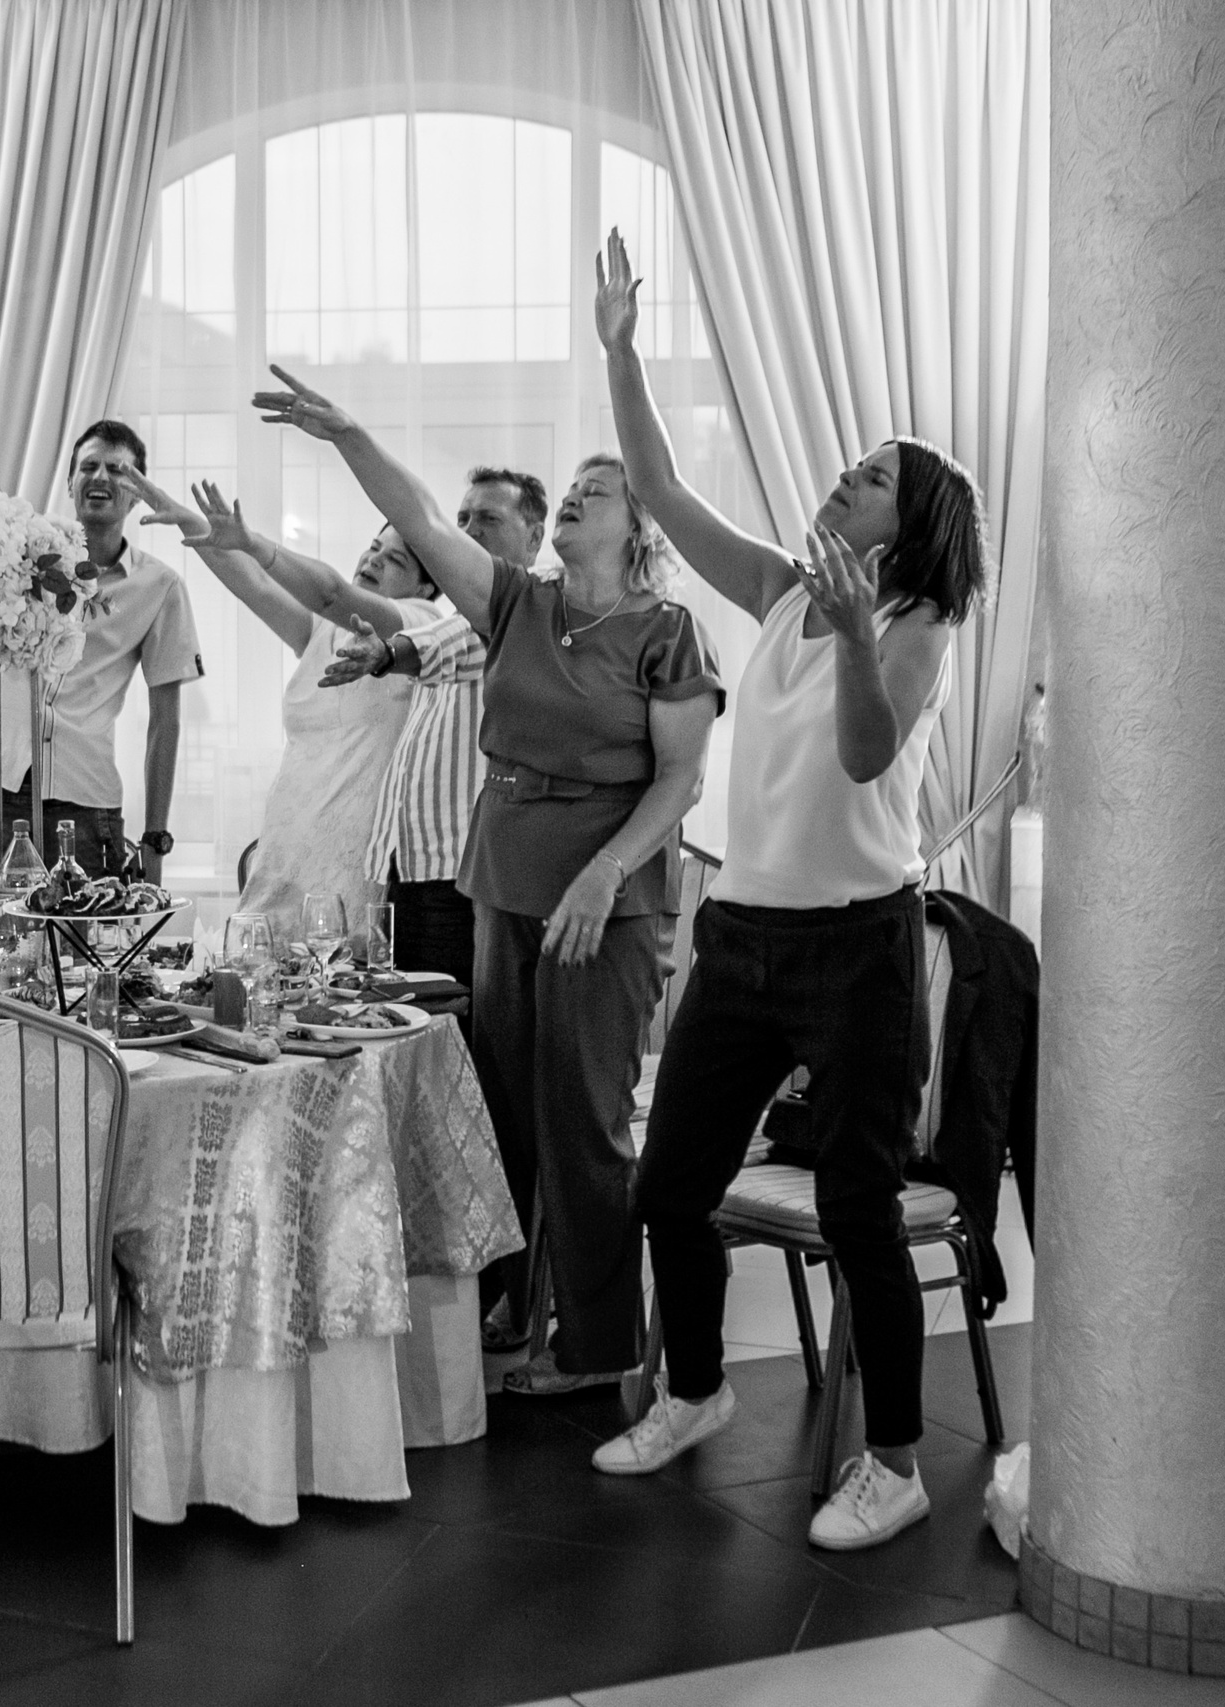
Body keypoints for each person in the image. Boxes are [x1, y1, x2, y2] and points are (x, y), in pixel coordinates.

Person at [583, 230, 985, 1551]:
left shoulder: (915, 627)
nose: (843, 477)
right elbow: (656, 482)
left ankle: (896, 1459)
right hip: (744, 939)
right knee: (669, 1184)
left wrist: (860, 636)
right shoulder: (774, 590)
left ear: (907, 521)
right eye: (850, 465)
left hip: (859, 948)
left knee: (861, 1209)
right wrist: (625, 347)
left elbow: (870, 753)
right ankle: (696, 1390)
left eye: (870, 477)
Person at [255, 373, 721, 1404]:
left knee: (583, 1119)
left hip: (604, 891)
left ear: (638, 527)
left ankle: (597, 1342)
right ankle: (515, 1302)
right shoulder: (516, 602)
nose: (573, 502)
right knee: (501, 1103)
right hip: (500, 874)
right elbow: (419, 515)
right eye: (573, 490)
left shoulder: (667, 632)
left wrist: (606, 872)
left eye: (596, 493)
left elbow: (682, 778)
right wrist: (347, 432)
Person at [0, 326, 202, 879]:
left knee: (80, 951)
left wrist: (155, 840)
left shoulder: (160, 588)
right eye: (89, 466)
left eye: (119, 470)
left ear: (138, 492)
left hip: (86, 804)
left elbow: (165, 722)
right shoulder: (28, 547)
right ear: (69, 483)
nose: (101, 476)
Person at [118, 468, 440, 926]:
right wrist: (189, 521)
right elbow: (256, 586)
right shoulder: (324, 630)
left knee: (334, 974)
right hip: (290, 832)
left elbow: (328, 590)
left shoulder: (420, 622)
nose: (373, 560)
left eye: (396, 560)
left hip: (352, 842)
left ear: (426, 587)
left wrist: (253, 542)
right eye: (373, 547)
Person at [322, 466, 549, 984]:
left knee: (456, 1036)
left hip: (461, 875)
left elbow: (443, 649)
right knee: (413, 1029)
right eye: (463, 517)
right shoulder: (456, 614)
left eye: (489, 518)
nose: (468, 530)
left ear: (534, 538)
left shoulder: (530, 607)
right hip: (409, 870)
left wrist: (386, 653)